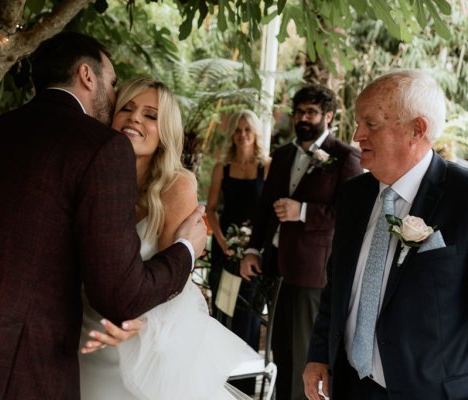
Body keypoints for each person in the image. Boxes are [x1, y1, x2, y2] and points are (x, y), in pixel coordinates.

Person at [0, 32, 207, 400]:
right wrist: (187, 250)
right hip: (22, 372)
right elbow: (118, 294)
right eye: (113, 86)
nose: (114, 102)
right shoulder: (100, 149)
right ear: (87, 76)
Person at [78, 77, 259, 400]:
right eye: (127, 109)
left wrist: (141, 323)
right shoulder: (89, 177)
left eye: (150, 115)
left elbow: (176, 280)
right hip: (85, 330)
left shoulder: (176, 186)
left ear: (165, 133)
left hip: (144, 343)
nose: (135, 118)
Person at [303, 69, 468, 400]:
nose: (357, 135)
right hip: (349, 383)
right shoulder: (354, 194)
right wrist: (319, 354)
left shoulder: (463, 197)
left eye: (371, 124)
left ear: (416, 130)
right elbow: (337, 283)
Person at [240, 85, 362, 400]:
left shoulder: (345, 157)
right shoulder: (281, 155)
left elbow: (350, 215)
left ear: (328, 116)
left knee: (306, 355)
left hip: (313, 272)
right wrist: (253, 249)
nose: (303, 118)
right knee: (279, 351)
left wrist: (304, 211)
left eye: (311, 112)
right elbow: (265, 207)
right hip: (276, 266)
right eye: (299, 112)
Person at [206, 109, 269, 395]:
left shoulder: (265, 167)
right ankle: (221, 384)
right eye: (238, 129)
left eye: (248, 129)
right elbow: (211, 209)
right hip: (225, 253)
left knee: (249, 317)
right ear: (232, 134)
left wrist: (252, 246)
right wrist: (221, 241)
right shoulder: (223, 167)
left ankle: (246, 389)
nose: (243, 134)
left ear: (255, 134)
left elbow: (269, 212)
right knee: (224, 313)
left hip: (253, 255)